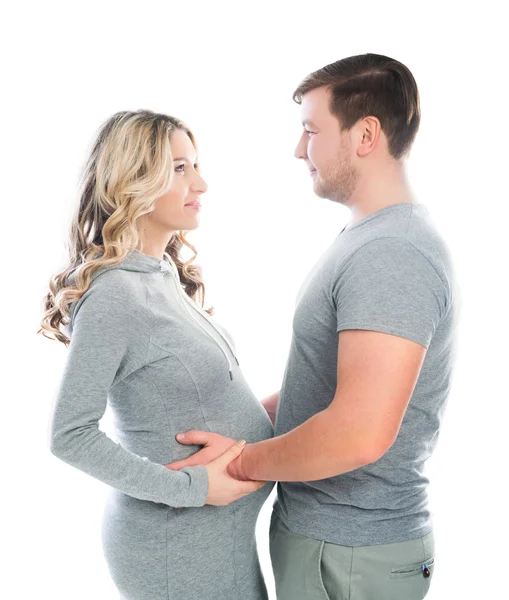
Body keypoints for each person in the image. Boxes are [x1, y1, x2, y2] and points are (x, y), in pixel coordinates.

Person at [167, 53, 459, 600]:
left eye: (311, 130)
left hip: (350, 552)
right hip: (334, 546)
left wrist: (242, 464)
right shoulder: (372, 238)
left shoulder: (393, 253)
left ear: (365, 134)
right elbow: (324, 387)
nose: (299, 149)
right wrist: (247, 428)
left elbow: (359, 432)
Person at [41, 110, 276, 600]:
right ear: (134, 182)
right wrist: (193, 488)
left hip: (215, 540)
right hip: (176, 545)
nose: (202, 183)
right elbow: (69, 435)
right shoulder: (115, 296)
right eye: (180, 168)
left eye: (196, 165)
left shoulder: (160, 274)